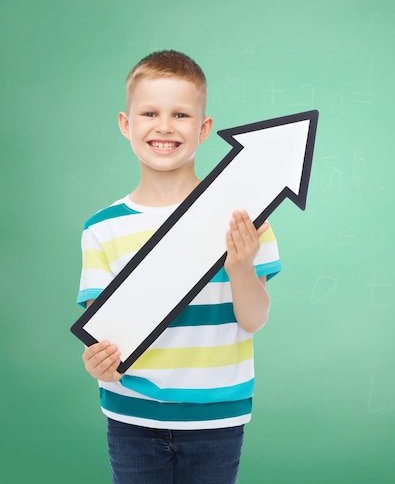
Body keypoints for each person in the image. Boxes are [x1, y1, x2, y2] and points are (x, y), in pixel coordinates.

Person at [77, 50, 281, 484]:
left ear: (204, 128)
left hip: (217, 417)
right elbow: (102, 336)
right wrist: (99, 362)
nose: (165, 126)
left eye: (181, 114)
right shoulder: (102, 229)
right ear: (125, 124)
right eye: (149, 112)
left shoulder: (244, 217)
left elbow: (254, 319)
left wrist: (242, 267)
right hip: (131, 416)